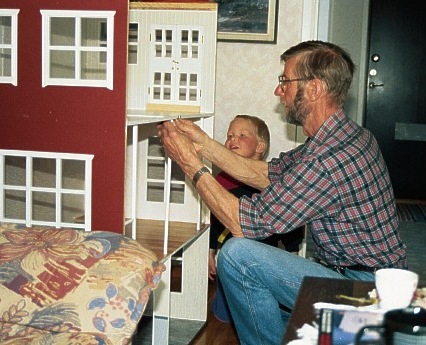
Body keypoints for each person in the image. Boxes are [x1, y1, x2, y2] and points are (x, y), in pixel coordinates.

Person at [158, 40, 407, 345]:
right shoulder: (344, 137)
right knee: (268, 310)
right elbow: (268, 173)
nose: (280, 91)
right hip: (362, 281)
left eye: (285, 81)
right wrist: (205, 143)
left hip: (365, 295)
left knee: (238, 256)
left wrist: (189, 162)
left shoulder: (327, 158)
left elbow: (245, 222)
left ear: (314, 89)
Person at [209, 114, 304, 323]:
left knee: (268, 307)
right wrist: (210, 249)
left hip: (265, 255)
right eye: (229, 135)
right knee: (224, 317)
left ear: (260, 147)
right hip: (229, 254)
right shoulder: (222, 179)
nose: (233, 139)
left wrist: (293, 250)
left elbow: (290, 216)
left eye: (242, 135)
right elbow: (216, 218)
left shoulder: (270, 181)